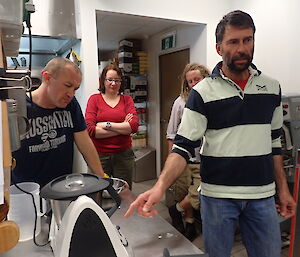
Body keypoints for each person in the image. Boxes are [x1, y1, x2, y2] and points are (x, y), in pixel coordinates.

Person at [125, 10, 297, 257]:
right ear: (219, 48)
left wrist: (282, 189)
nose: (242, 48)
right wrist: (160, 187)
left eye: (247, 40)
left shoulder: (271, 87)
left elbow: (274, 143)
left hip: (262, 195)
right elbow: (182, 147)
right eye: (233, 42)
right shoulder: (202, 93)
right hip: (218, 198)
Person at [12, 57, 105, 187]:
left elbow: (84, 142)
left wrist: (102, 177)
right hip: (27, 193)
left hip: (62, 189)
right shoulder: (18, 108)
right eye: (67, 85)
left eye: (75, 89)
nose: (71, 94)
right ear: (47, 77)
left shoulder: (70, 105)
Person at [167, 63, 210, 241]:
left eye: (197, 80)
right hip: (185, 159)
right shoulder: (180, 103)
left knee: (197, 195)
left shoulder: (212, 100)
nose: (193, 84)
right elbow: (171, 133)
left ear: (206, 78)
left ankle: (175, 209)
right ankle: (189, 223)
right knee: (183, 192)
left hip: (205, 160)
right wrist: (171, 161)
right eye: (190, 81)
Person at [85, 63, 139, 189]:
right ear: (103, 80)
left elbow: (134, 126)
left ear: (121, 82)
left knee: (123, 193)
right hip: (99, 156)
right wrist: (123, 128)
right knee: (97, 191)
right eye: (110, 80)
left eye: (117, 80)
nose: (113, 84)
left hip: (124, 156)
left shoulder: (127, 100)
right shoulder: (94, 99)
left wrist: (106, 125)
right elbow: (91, 130)